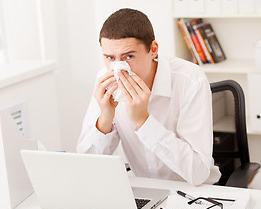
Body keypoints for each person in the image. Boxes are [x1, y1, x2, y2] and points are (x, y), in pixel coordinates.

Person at [77, 8, 221, 186]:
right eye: (109, 58)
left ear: (153, 50)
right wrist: (105, 118)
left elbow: (198, 172)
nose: (119, 68)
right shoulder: (105, 81)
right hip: (143, 188)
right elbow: (86, 166)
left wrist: (144, 121)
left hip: (195, 191)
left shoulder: (190, 80)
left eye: (128, 56)